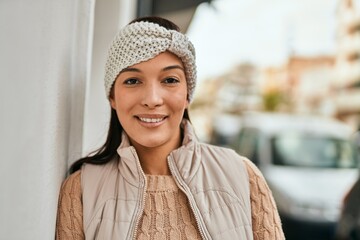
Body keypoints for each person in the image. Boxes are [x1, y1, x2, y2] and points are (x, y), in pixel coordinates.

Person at [55, 16, 284, 240]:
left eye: (170, 80)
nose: (152, 99)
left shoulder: (243, 176)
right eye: (133, 81)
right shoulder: (81, 190)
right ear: (112, 97)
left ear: (187, 95)